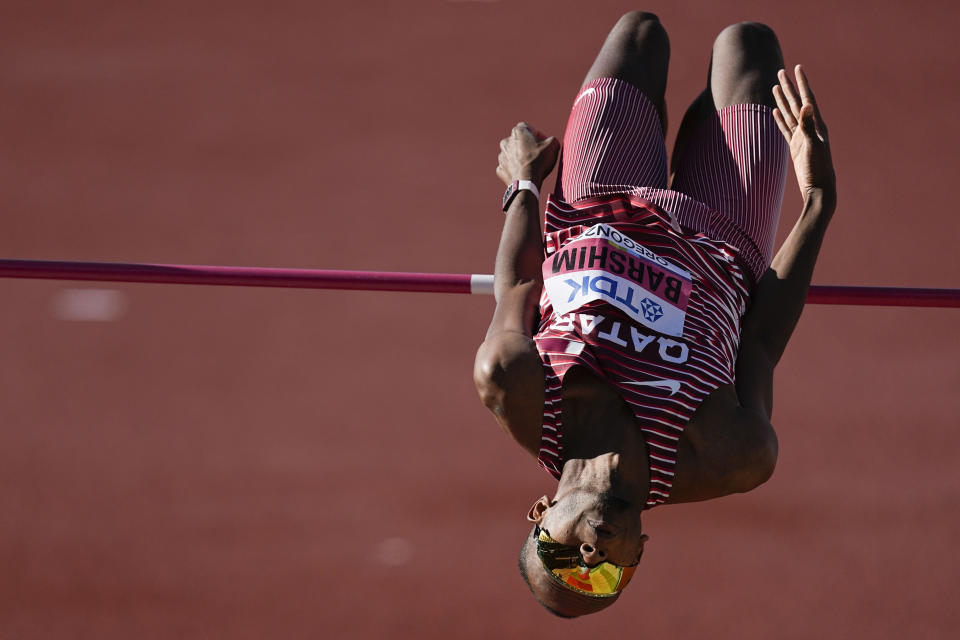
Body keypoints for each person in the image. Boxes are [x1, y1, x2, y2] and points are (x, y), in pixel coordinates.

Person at [472, 12, 836, 618]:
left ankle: (696, 125)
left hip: (599, 200)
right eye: (608, 578)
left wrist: (525, 188)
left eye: (564, 561)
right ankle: (707, 130)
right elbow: (762, 341)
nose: (592, 558)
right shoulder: (729, 456)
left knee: (639, 34)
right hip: (724, 229)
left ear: (540, 515)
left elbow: (521, 283)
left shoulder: (513, 386)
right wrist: (819, 201)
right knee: (749, 46)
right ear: (639, 553)